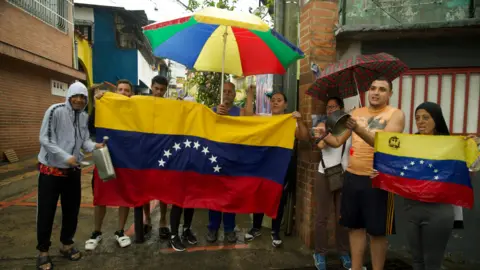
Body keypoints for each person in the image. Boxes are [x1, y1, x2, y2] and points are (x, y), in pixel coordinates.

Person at [321, 77, 406, 270]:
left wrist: (358, 128)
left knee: (377, 232)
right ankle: (356, 267)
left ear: (390, 94)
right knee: (355, 227)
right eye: (373, 88)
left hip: (377, 179)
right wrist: (323, 135)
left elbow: (383, 145)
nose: (376, 92)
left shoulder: (395, 114)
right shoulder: (356, 113)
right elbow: (337, 141)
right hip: (352, 177)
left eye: (382, 89)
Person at [392, 102, 474, 270]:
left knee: (432, 263)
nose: (420, 122)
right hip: (411, 210)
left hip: (439, 211)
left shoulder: (451, 145)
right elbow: (396, 167)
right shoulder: (409, 144)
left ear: (436, 119)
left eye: (425, 117)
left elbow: (472, 169)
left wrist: (472, 146)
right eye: (417, 118)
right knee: (416, 261)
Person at [36, 82, 104, 270]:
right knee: (46, 212)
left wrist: (95, 146)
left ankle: (66, 244)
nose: (79, 100)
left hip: (73, 171)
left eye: (83, 97)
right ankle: (43, 252)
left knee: (71, 211)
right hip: (51, 170)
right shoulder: (55, 110)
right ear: (69, 96)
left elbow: (84, 141)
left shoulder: (82, 117)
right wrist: (66, 157)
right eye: (76, 96)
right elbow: (45, 139)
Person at [244, 92, 309, 247]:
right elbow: (247, 117)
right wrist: (250, 96)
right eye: (273, 100)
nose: (275, 103)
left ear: (285, 104)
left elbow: (304, 137)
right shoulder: (265, 120)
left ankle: (275, 231)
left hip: (282, 167)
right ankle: (256, 228)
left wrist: (300, 120)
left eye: (279, 100)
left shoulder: (290, 121)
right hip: (263, 165)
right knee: (259, 195)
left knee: (279, 199)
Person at [85, 79, 135, 251]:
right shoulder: (104, 106)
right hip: (105, 157)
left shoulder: (136, 111)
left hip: (126, 161)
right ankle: (96, 232)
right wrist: (98, 103)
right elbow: (91, 127)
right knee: (100, 196)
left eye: (126, 90)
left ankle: (120, 231)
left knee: (124, 196)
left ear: (131, 94)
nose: (122, 92)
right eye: (120, 89)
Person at [206, 82, 254, 243]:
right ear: (221, 94)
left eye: (229, 91)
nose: (227, 94)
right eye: (224, 91)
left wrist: (250, 95)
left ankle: (228, 229)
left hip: (232, 161)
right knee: (213, 196)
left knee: (229, 197)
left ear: (234, 95)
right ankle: (212, 228)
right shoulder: (212, 111)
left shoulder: (238, 112)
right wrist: (215, 116)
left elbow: (250, 118)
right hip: (214, 161)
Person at [312, 97, 352, 270]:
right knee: (322, 216)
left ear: (341, 109)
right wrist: (325, 133)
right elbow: (320, 145)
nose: (330, 110)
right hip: (325, 174)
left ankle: (343, 252)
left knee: (341, 217)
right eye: (328, 107)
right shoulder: (322, 125)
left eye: (334, 107)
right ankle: (320, 252)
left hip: (344, 175)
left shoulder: (350, 128)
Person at [140, 75, 173, 240]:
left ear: (165, 91)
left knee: (163, 189)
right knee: (145, 189)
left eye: (162, 90)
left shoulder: (169, 106)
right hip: (145, 152)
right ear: (151, 87)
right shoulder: (141, 102)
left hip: (163, 153)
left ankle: (163, 221)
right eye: (156, 89)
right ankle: (147, 219)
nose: (158, 92)